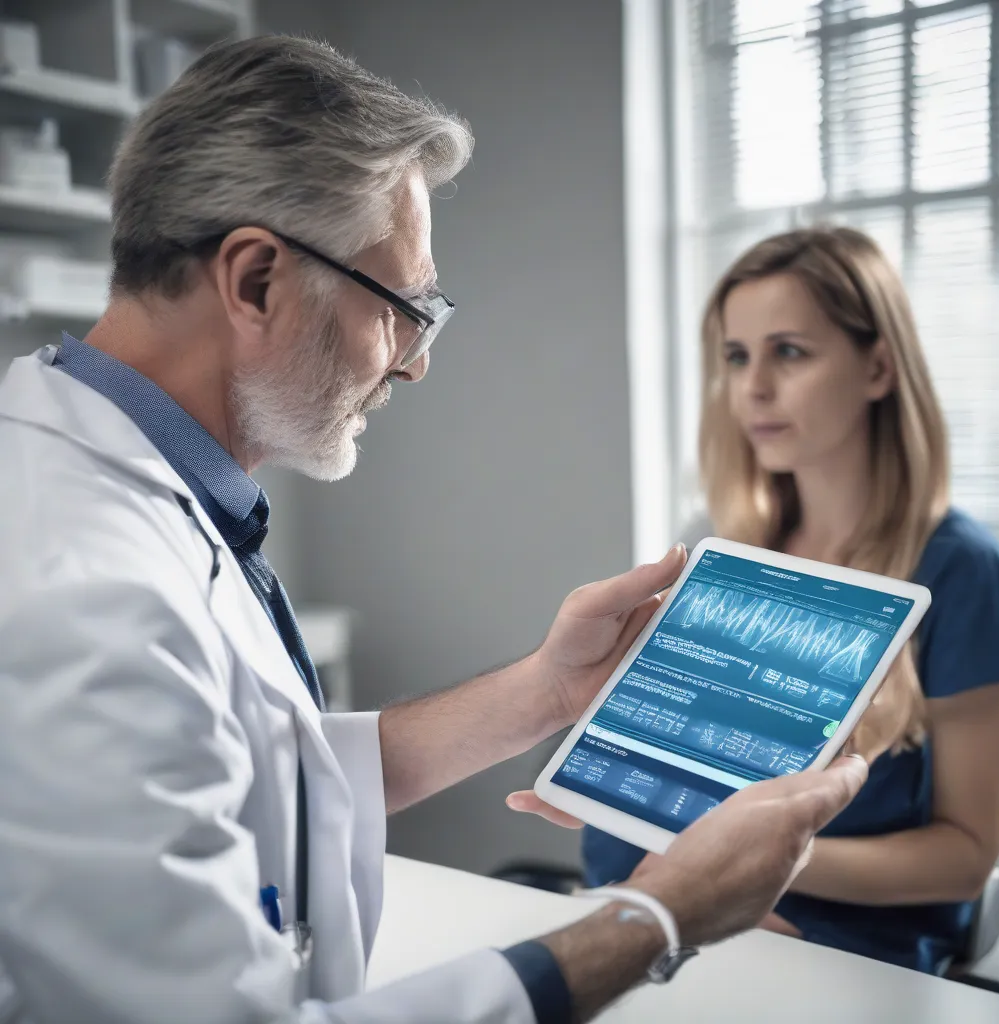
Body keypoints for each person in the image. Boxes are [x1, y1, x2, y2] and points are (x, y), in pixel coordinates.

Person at [0, 37, 869, 1024]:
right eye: (400, 309)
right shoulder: (88, 597)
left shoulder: (125, 491)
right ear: (255, 282)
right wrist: (660, 916)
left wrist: (548, 688)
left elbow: (269, 772)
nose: (412, 364)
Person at [583, 226, 999, 975]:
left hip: (830, 953)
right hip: (649, 917)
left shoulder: (965, 575)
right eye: (736, 356)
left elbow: (964, 855)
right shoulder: (726, 549)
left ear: (879, 366)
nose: (753, 388)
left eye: (789, 351)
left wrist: (745, 864)